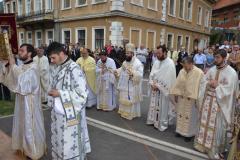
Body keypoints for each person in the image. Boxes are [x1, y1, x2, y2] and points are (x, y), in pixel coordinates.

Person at [0, 44, 46, 159]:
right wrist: (6, 65)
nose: (19, 52)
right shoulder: (22, 66)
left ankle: (33, 151)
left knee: (30, 127)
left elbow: (24, 82)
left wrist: (13, 65)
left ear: (29, 53)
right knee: (21, 125)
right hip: (21, 102)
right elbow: (11, 78)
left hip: (30, 104)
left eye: (22, 50)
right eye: (19, 50)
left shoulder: (34, 67)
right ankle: (23, 146)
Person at [47, 42, 91, 160]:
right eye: (50, 58)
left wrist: (60, 93)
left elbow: (82, 95)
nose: (51, 60)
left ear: (61, 54)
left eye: (53, 57)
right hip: (59, 114)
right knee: (60, 143)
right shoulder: (59, 67)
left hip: (70, 116)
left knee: (69, 145)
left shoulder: (74, 69)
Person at [194, 49, 239, 159]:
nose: (215, 59)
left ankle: (215, 149)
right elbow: (203, 82)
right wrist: (209, 83)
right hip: (208, 103)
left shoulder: (231, 73)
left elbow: (231, 91)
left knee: (217, 128)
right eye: (215, 57)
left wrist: (218, 86)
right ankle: (202, 145)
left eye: (218, 57)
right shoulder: (212, 70)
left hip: (220, 106)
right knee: (204, 124)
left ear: (224, 58)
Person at [170, 57, 204, 141]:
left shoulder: (199, 73)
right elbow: (177, 83)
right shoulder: (182, 71)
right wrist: (176, 95)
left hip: (192, 99)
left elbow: (201, 88)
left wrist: (198, 99)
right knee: (180, 114)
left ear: (191, 64)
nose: (184, 68)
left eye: (186, 66)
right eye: (183, 66)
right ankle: (179, 130)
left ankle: (189, 134)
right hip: (182, 98)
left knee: (190, 117)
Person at [146, 45, 176, 131]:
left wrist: (158, 86)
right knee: (154, 105)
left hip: (163, 91)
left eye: (159, 53)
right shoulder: (156, 62)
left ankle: (161, 124)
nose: (157, 55)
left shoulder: (170, 63)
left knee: (163, 107)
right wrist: (152, 83)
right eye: (156, 53)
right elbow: (152, 74)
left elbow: (170, 80)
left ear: (165, 52)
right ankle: (152, 120)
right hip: (155, 88)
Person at [114, 43, 143, 120]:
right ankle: (123, 112)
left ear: (132, 54)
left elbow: (140, 74)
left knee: (130, 98)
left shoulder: (138, 63)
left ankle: (131, 114)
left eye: (128, 53)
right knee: (124, 96)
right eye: (126, 53)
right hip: (124, 84)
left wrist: (133, 74)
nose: (126, 55)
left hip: (132, 85)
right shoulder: (125, 62)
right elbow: (122, 69)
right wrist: (117, 72)